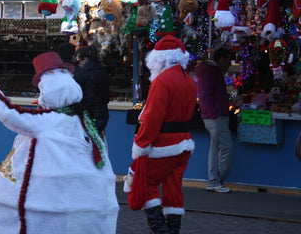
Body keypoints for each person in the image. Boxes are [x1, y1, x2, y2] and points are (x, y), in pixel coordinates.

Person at [0, 51, 119, 234]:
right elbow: (102, 153)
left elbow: (10, 114)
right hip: (86, 198)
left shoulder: (46, 121)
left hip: (47, 197)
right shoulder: (81, 121)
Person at [125, 35, 197, 234]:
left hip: (164, 145)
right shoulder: (189, 81)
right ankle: (172, 230)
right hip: (184, 142)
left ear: (158, 59)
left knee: (146, 183)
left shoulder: (162, 81)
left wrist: (140, 144)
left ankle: (161, 230)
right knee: (173, 187)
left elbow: (153, 118)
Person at [195, 47, 234, 194]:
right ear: (222, 59)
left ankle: (214, 181)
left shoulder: (209, 72)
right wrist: (213, 114)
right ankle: (216, 180)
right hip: (216, 116)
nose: (230, 63)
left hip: (214, 115)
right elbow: (206, 96)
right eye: (228, 60)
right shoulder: (211, 72)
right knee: (226, 147)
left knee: (215, 147)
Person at [75, 45, 110, 137]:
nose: (78, 64)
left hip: (91, 114)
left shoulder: (85, 74)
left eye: (79, 61)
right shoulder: (102, 71)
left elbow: (89, 97)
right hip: (102, 112)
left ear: (85, 59)